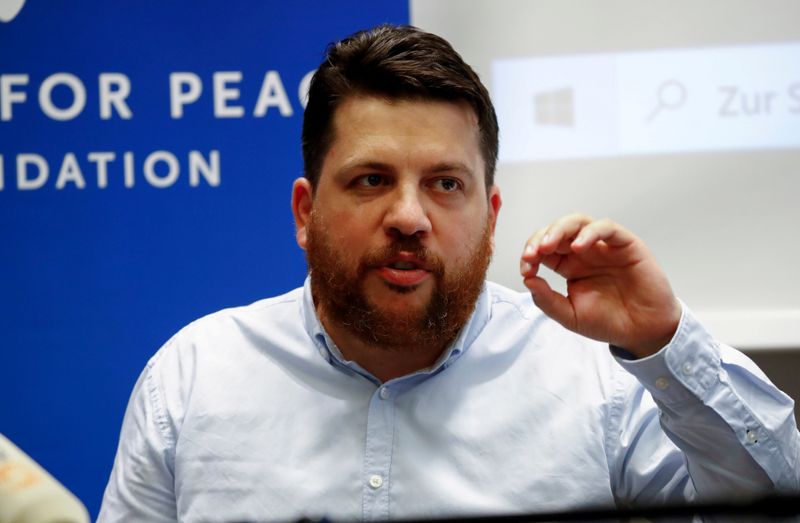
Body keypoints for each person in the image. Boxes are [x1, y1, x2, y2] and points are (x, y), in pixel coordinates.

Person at [98, 24, 800, 522]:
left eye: (445, 184)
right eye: (372, 179)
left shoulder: (591, 380)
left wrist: (663, 340)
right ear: (305, 212)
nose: (409, 216)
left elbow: (776, 503)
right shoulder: (192, 379)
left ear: (492, 215)